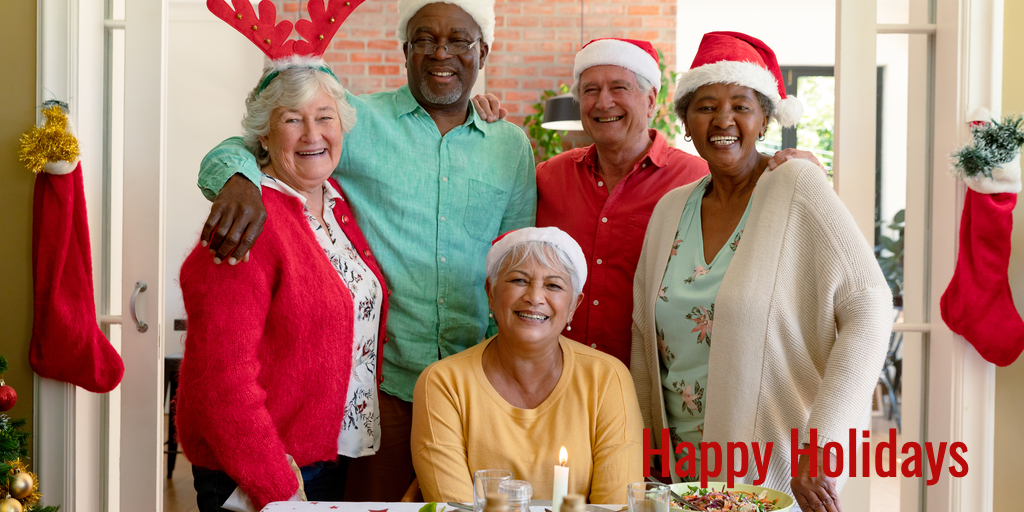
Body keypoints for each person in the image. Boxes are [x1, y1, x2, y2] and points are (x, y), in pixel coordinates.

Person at [194, 0, 536, 500]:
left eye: (459, 40)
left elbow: (514, 262)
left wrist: (500, 373)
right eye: (424, 38)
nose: (441, 52)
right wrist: (239, 180)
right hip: (382, 389)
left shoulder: (511, 146)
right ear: (404, 50)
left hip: (475, 384)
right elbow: (259, 142)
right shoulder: (356, 122)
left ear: (482, 53)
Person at [630, 32, 892, 512]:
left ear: (766, 118)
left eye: (741, 105)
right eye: (705, 106)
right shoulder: (670, 211)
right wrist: (646, 458)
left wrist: (824, 441)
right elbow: (643, 345)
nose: (723, 119)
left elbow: (871, 305)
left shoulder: (796, 185)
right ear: (685, 123)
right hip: (677, 481)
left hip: (769, 481)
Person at [176, 55, 389, 512]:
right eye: (292, 119)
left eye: (324, 117)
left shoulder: (335, 205)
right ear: (263, 137)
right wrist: (277, 486)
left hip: (328, 458)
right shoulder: (247, 221)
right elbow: (220, 381)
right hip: (261, 471)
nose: (313, 134)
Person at [536, 38, 822, 367]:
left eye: (619, 87)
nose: (603, 102)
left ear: (650, 100)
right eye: (590, 90)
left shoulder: (700, 181)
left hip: (655, 390)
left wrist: (804, 178)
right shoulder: (547, 177)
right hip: (558, 384)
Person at [411, 227, 643, 503]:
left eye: (553, 285)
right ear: (491, 293)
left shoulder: (608, 378)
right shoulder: (442, 382)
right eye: (519, 280)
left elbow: (616, 507)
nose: (534, 297)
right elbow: (454, 508)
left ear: (573, 306)